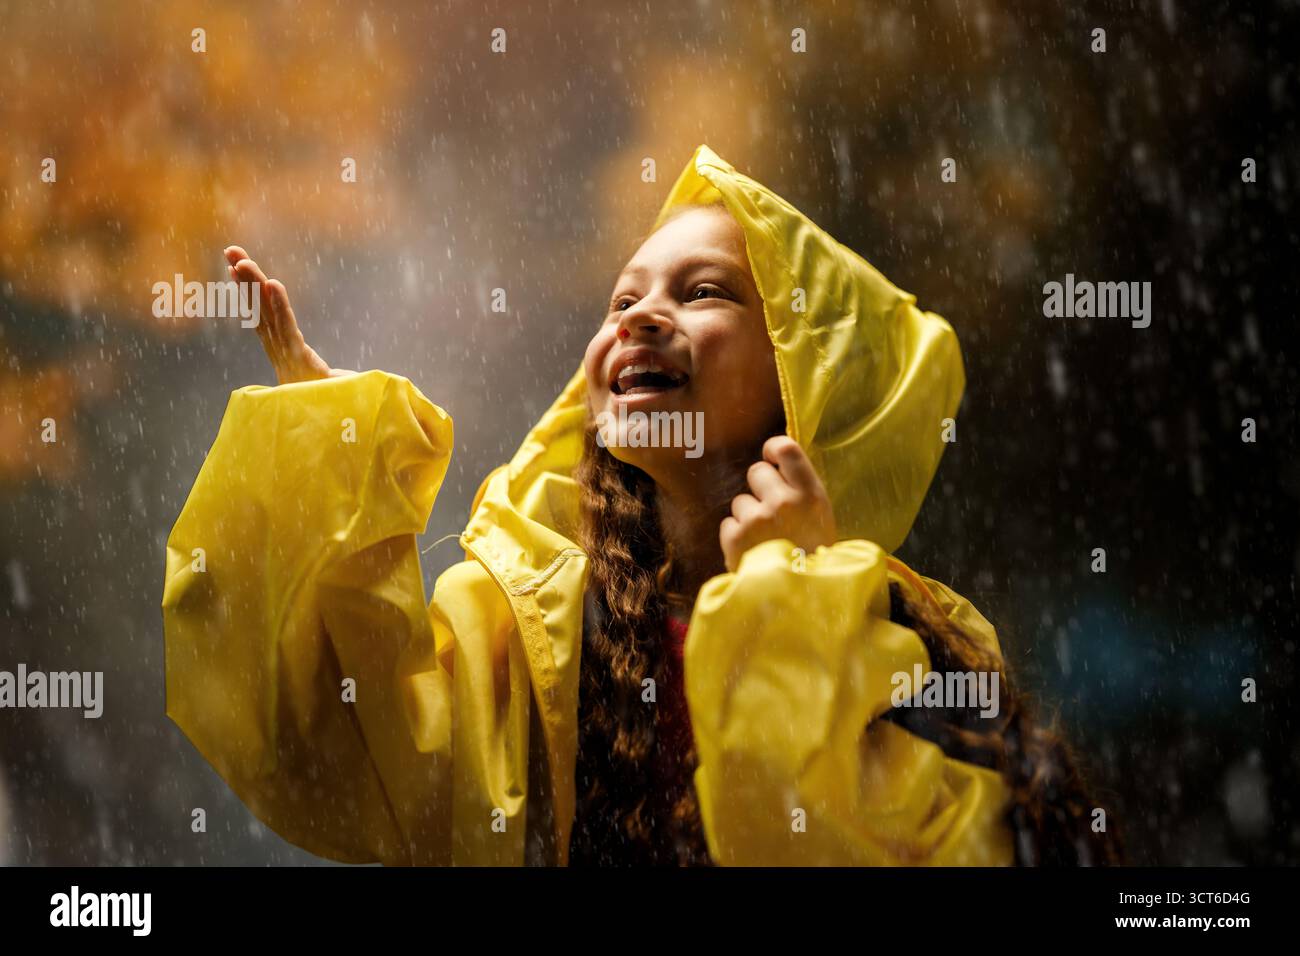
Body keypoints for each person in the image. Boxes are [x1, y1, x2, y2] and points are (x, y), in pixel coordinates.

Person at [162, 144, 1121, 866]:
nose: (642, 316)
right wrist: (324, 447)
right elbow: (339, 758)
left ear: (805, 383)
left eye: (705, 292)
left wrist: (793, 589)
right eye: (622, 301)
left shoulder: (902, 639)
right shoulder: (532, 630)